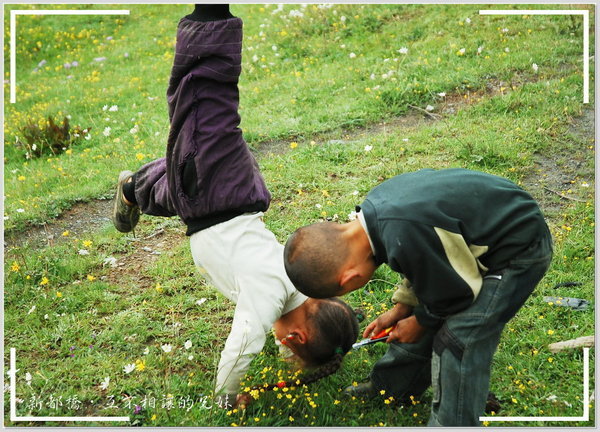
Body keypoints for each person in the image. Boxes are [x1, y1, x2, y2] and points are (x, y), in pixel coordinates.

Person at [111, 4, 358, 408]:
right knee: (205, 98)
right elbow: (242, 344)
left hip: (222, 199)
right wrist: (226, 398)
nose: (282, 351)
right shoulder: (271, 296)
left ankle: (133, 189)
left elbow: (302, 329)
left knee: (181, 173)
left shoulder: (300, 288)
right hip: (219, 195)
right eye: (289, 352)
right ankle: (212, 15)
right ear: (295, 337)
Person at [283, 168, 553, 426]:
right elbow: (424, 261)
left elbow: (456, 295)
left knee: (460, 335)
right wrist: (402, 309)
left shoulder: (403, 230)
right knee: (420, 312)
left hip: (518, 251)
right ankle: (391, 388)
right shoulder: (378, 213)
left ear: (349, 279)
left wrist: (421, 321)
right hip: (481, 236)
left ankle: (453, 422)